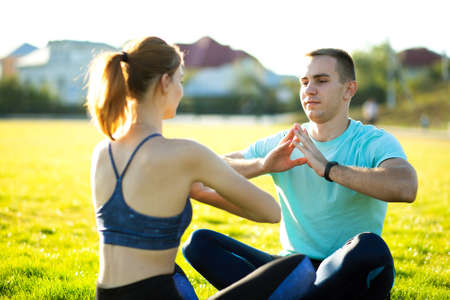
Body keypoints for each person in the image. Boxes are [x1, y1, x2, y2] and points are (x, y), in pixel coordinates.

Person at [86, 36, 318, 300]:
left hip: (105, 294)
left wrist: (260, 165)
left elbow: (171, 181)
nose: (181, 90)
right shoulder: (185, 154)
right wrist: (201, 190)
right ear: (164, 82)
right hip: (157, 295)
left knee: (173, 271)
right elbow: (270, 211)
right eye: (180, 80)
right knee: (299, 267)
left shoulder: (102, 152)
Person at [183, 48, 418, 299]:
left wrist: (329, 169)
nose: (309, 90)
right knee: (199, 243)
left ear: (349, 89)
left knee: (371, 248)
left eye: (322, 81)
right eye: (304, 82)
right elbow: (208, 169)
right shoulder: (285, 142)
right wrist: (263, 164)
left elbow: (406, 186)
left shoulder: (373, 141)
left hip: (348, 267)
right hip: (294, 269)